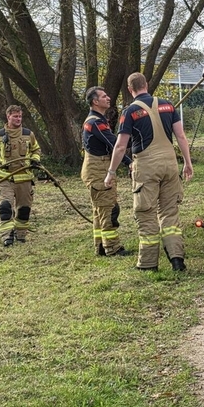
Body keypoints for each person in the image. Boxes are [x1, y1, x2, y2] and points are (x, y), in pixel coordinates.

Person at [104, 72, 193, 272]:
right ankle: (177, 260)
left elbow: (120, 147)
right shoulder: (168, 105)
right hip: (170, 165)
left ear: (130, 89)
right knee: (170, 213)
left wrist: (111, 172)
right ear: (147, 84)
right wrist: (187, 163)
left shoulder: (130, 111)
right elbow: (181, 136)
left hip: (146, 167)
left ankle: (148, 263)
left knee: (146, 213)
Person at [81, 86, 131, 257]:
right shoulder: (95, 123)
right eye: (104, 96)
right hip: (98, 170)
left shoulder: (96, 120)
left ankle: (101, 246)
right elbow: (115, 145)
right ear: (95, 101)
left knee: (99, 210)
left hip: (94, 168)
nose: (108, 98)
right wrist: (129, 163)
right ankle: (112, 248)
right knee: (109, 209)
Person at [0, 104, 42, 247]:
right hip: (5, 178)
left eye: (20, 116)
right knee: (4, 207)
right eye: (15, 116)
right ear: (8, 116)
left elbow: (36, 150)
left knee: (24, 209)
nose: (18, 119)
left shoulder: (28, 134)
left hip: (24, 178)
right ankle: (7, 236)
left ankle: (21, 235)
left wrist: (35, 159)